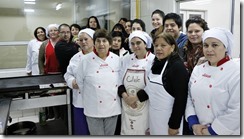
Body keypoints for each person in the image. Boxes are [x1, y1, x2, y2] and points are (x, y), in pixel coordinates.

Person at [185, 27, 240, 135]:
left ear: (225, 47)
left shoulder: (236, 71)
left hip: (226, 132)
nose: (209, 49)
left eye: (214, 45)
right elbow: (189, 97)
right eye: (206, 45)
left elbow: (238, 109)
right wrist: (193, 123)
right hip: (199, 130)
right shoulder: (198, 69)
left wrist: (211, 131)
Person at [76, 29, 121, 135]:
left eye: (104, 41)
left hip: (112, 108)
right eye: (98, 41)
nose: (101, 44)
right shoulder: (85, 60)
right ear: (94, 43)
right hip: (93, 108)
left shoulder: (117, 59)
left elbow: (120, 81)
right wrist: (91, 96)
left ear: (109, 43)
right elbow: (80, 82)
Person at [144, 33, 189, 135]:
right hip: (154, 116)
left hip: (169, 118)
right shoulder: (156, 62)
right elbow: (150, 89)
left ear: (172, 47)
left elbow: (181, 99)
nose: (158, 48)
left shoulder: (177, 67)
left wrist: (174, 125)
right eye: (156, 45)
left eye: (163, 45)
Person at [118, 30, 155, 135]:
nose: (135, 46)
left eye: (138, 43)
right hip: (127, 105)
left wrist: (135, 98)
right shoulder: (126, 59)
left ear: (145, 44)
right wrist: (126, 97)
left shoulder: (154, 60)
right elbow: (119, 80)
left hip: (145, 105)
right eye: (132, 44)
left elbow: (153, 86)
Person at [64, 28, 95, 135]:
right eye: (80, 40)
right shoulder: (75, 58)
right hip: (80, 101)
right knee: (82, 131)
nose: (83, 42)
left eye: (86, 39)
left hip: (97, 102)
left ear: (93, 40)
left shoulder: (100, 56)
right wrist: (72, 82)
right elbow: (68, 74)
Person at [181, 16, 209, 135]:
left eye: (197, 31)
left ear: (204, 32)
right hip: (187, 92)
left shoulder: (208, 51)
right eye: (190, 31)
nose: (193, 34)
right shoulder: (184, 48)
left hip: (204, 94)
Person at [38, 23, 61, 120]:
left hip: (62, 75)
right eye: (51, 30)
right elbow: (40, 59)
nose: (53, 32)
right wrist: (42, 73)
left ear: (58, 32)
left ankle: (61, 117)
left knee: (62, 98)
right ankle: (54, 116)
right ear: (48, 33)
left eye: (55, 30)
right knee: (51, 97)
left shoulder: (63, 42)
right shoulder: (44, 44)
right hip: (49, 75)